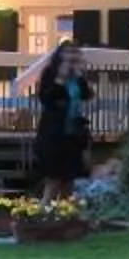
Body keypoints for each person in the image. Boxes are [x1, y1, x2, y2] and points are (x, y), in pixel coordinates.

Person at [27, 39, 92, 201]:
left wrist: (80, 76)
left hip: (73, 134)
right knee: (53, 179)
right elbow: (45, 98)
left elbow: (87, 95)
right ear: (60, 55)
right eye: (67, 52)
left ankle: (64, 218)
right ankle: (42, 217)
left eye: (74, 52)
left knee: (68, 180)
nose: (71, 56)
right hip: (53, 133)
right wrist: (60, 80)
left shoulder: (77, 77)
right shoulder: (50, 73)